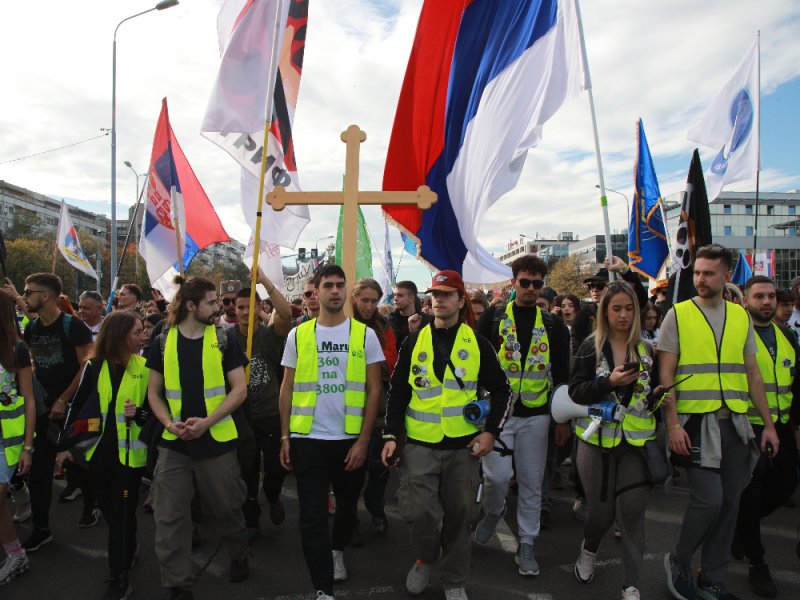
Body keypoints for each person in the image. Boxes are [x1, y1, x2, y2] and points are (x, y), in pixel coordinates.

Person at [382, 270, 512, 600]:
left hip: (463, 447)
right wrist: (390, 436)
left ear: (460, 300)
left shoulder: (478, 343)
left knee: (460, 517)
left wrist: (491, 434)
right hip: (420, 445)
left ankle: (454, 579)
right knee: (420, 512)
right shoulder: (413, 342)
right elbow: (397, 392)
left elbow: (502, 391)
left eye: (447, 294)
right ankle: (426, 558)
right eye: (435, 294)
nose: (439, 299)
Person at [659, 244, 780, 600]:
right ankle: (679, 560)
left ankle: (712, 577)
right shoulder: (677, 314)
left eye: (709, 273)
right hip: (695, 424)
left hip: (737, 424)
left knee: (730, 504)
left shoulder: (741, 316)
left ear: (727, 276)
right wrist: (673, 424)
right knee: (709, 501)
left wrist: (769, 425)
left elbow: (753, 373)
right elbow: (664, 376)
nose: (700, 279)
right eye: (697, 272)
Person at [279, 264, 383, 599]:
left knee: (349, 507)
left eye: (340, 285)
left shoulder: (365, 335)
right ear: (317, 291)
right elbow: (287, 387)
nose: (335, 290)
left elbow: (374, 390)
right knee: (311, 516)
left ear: (345, 291)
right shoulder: (298, 334)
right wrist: (284, 436)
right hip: (308, 440)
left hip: (350, 441)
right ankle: (322, 588)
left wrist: (364, 441)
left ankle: (337, 549)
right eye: (328, 285)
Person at [146, 275, 251, 599]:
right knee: (170, 517)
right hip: (174, 446)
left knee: (226, 509)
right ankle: (178, 583)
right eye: (212, 302)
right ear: (191, 306)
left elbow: (239, 389)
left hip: (216, 443)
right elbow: (154, 392)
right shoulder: (162, 339)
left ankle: (238, 555)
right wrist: (168, 423)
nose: (219, 307)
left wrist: (207, 422)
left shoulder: (222, 338)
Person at [474, 256, 570, 576]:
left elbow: (563, 377)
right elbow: (476, 365)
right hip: (498, 416)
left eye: (537, 283)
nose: (530, 288)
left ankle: (527, 542)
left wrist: (561, 421)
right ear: (513, 282)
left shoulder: (553, 324)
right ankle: (494, 510)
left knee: (531, 482)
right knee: (497, 478)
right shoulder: (492, 315)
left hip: (537, 416)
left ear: (543, 285)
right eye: (524, 282)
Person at [569, 281, 661, 600]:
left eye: (629, 308)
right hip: (594, 442)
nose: (623, 315)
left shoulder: (648, 350)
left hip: (636, 444)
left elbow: (652, 397)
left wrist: (659, 399)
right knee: (602, 516)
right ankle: (589, 549)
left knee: (633, 513)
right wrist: (609, 382)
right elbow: (575, 391)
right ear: (605, 312)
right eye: (616, 308)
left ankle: (630, 584)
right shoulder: (590, 348)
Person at [56, 311, 151, 599]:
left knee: (121, 511)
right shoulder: (94, 367)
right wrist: (62, 445)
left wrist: (141, 413)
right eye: (137, 332)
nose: (143, 336)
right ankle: (129, 544)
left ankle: (118, 576)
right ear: (119, 336)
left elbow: (156, 411)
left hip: (130, 457)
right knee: (112, 511)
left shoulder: (146, 367)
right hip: (98, 456)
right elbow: (77, 404)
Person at [732, 276, 800, 596]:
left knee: (785, 486)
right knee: (752, 491)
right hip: (749, 426)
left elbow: (796, 386)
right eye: (759, 296)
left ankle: (739, 530)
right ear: (745, 300)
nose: (767, 302)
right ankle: (756, 561)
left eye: (771, 296)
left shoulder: (787, 336)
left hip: (783, 427)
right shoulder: (735, 337)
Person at [16, 273, 93, 551]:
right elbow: (37, 363)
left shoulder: (73, 326)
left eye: (28, 292)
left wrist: (63, 398)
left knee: (79, 462)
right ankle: (41, 527)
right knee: (39, 470)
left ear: (45, 296)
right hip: (44, 408)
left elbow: (86, 367)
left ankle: (91, 504)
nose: (24, 297)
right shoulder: (32, 328)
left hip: (73, 408)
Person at [231, 268, 292, 538]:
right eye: (241, 307)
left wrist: (265, 281)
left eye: (251, 306)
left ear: (260, 308)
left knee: (277, 469)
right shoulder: (225, 338)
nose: (246, 311)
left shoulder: (268, 336)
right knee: (247, 470)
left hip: (270, 414)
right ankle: (251, 517)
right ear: (234, 309)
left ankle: (273, 495)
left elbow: (287, 314)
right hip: (241, 417)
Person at [350, 278, 397, 541]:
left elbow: (390, 363)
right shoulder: (342, 324)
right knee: (351, 474)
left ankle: (376, 508)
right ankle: (351, 520)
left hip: (379, 412)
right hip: (349, 414)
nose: (369, 306)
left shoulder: (384, 325)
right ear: (354, 299)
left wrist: (365, 358)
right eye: (364, 300)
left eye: (374, 301)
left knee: (379, 471)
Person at [0, 290, 35, 585]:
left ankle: (16, 556)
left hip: (7, 443)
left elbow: (29, 399)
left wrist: (27, 446)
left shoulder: (16, 350)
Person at [386, 281, 433, 352]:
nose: (395, 299)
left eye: (400, 295)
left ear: (411, 298)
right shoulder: (387, 320)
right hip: (395, 362)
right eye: (395, 295)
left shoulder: (428, 321)